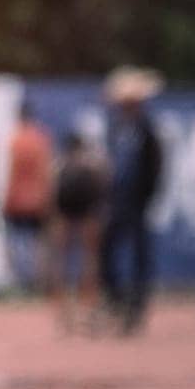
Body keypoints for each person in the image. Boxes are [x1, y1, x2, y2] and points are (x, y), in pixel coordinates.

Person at [99, 67, 164, 335]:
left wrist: (148, 195)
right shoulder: (116, 127)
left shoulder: (146, 129)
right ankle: (115, 298)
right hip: (116, 199)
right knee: (107, 249)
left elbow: (155, 165)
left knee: (139, 253)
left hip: (137, 199)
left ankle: (137, 305)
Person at [51, 132, 107, 334]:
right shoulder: (90, 165)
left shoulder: (60, 165)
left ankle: (65, 313)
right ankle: (85, 310)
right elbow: (102, 188)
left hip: (70, 212)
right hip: (81, 212)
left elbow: (52, 194)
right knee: (88, 261)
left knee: (66, 262)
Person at [3, 103, 53, 295]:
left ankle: (23, 285)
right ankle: (38, 284)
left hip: (18, 201)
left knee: (19, 245)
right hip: (38, 199)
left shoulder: (17, 140)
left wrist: (8, 199)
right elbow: (45, 173)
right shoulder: (41, 139)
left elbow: (13, 173)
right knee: (37, 246)